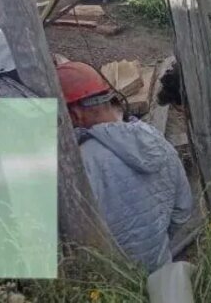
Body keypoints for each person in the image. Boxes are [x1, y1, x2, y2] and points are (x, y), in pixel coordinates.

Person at [57, 61, 194, 273]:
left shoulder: (77, 167)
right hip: (160, 274)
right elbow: (182, 210)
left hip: (110, 288)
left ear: (74, 115)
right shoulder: (156, 140)